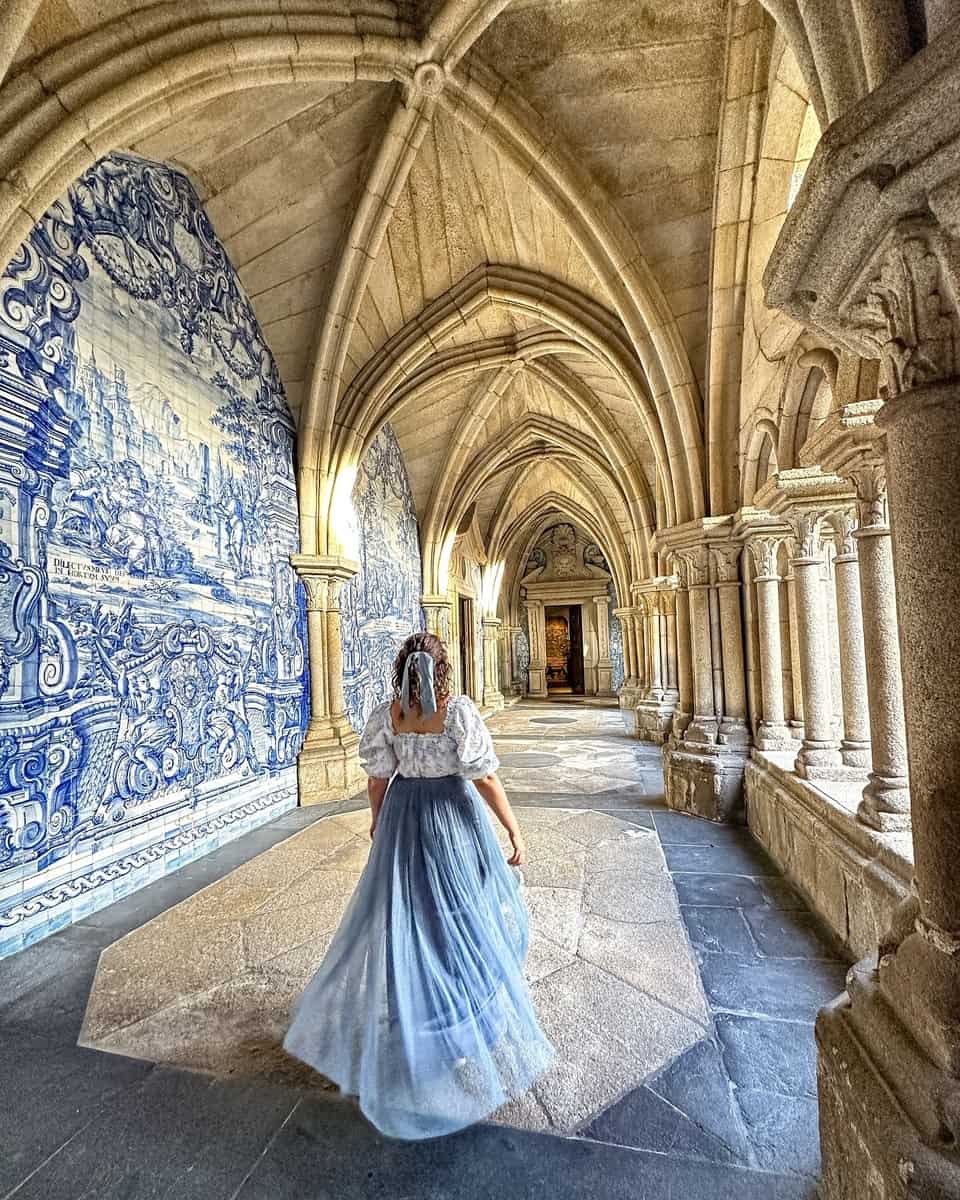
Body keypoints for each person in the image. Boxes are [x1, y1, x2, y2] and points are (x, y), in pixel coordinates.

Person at [283, 632, 554, 1139]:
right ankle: (459, 1014)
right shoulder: (456, 713)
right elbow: (485, 778)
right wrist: (512, 828)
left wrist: (378, 820)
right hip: (452, 816)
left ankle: (422, 1012)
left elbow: (376, 779)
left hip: (406, 818)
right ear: (442, 668)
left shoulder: (390, 716)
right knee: (462, 912)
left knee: (414, 913)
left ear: (403, 668)